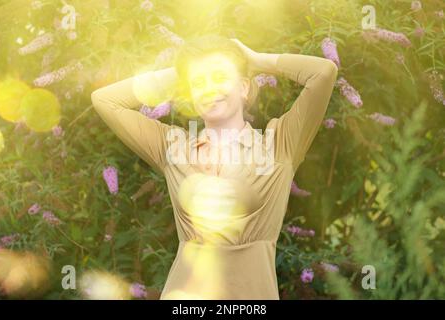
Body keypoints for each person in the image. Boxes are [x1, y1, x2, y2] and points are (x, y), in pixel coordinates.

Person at [91, 35, 338, 299]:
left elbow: (324, 72)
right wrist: (179, 74)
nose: (209, 89)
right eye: (199, 83)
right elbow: (105, 100)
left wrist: (256, 61)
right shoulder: (173, 147)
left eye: (220, 77)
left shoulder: (279, 145)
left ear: (244, 88)